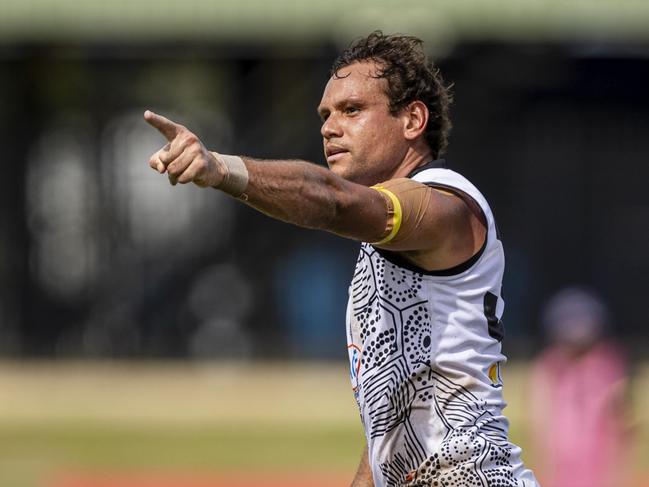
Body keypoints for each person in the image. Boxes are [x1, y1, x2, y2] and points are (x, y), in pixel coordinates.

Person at [144, 31, 539, 487]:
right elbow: (391, 418)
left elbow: (333, 201)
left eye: (352, 110)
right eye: (325, 115)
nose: (329, 127)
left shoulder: (445, 203)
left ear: (412, 120)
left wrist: (221, 169)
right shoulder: (382, 241)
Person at [530, 287, 628, 487]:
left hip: (597, 465)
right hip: (560, 465)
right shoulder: (549, 366)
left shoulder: (606, 364)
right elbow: (540, 419)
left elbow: (620, 418)